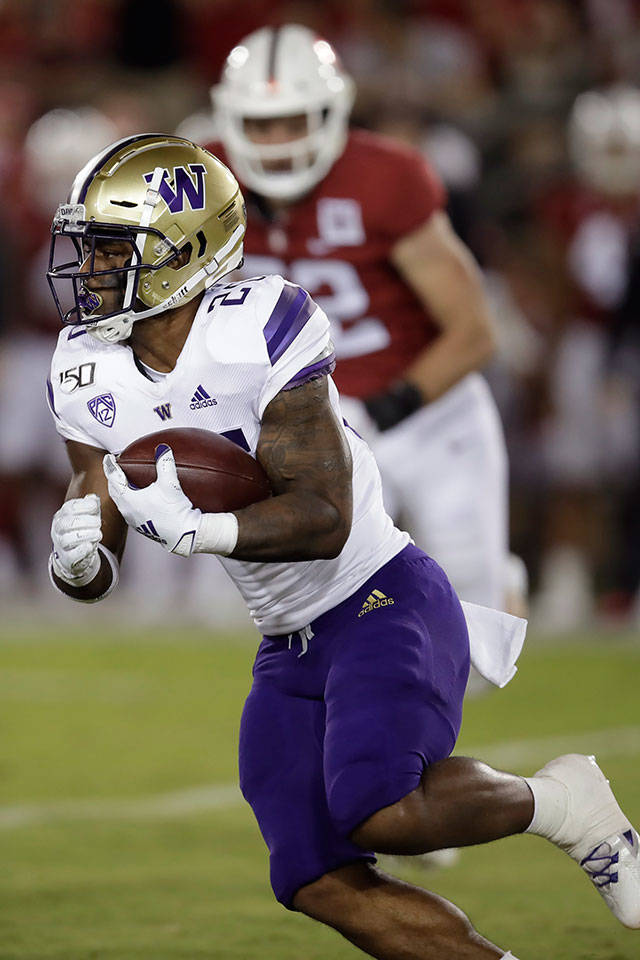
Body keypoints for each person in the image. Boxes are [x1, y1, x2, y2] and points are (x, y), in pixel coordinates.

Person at [46, 134, 640, 958]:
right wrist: (81, 558)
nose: (92, 270)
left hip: (377, 597)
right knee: (312, 875)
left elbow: (324, 511)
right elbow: (97, 506)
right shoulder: (83, 365)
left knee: (379, 806)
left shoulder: (260, 325)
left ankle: (563, 802)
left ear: (183, 252)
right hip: (287, 641)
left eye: (115, 249)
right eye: (90, 248)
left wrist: (207, 531)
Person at [209, 24, 512, 613]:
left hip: (423, 414)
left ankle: (498, 584)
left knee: (473, 614)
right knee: (327, 611)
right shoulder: (205, 183)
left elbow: (475, 331)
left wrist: (385, 407)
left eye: (295, 118)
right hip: (306, 423)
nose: (277, 140)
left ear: (333, 110)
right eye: (260, 123)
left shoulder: (385, 178)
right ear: (228, 119)